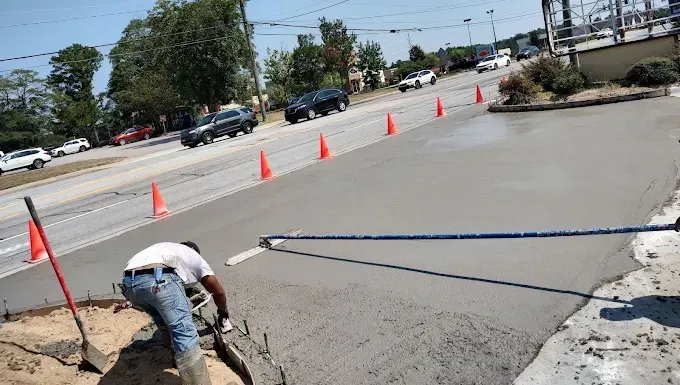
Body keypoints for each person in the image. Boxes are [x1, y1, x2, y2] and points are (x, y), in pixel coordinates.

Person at [121, 241, 231, 385]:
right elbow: (218, 292)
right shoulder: (194, 257)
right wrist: (223, 313)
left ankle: (175, 360)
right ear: (195, 251)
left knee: (163, 322)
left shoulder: (164, 249)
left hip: (129, 284)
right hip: (158, 279)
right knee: (184, 333)